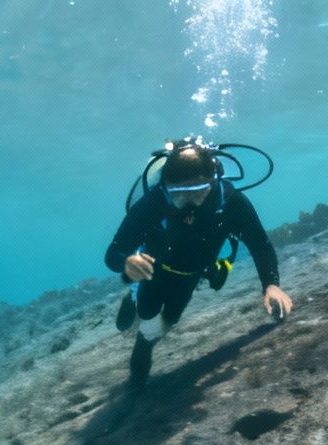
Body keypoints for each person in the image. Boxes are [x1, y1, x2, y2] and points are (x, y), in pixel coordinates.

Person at [104, 137, 294, 389]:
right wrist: (128, 263)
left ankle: (143, 325)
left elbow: (260, 244)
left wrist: (271, 285)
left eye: (199, 192)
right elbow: (113, 254)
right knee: (147, 315)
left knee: (167, 321)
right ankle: (134, 302)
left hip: (191, 273)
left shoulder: (232, 202)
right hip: (154, 269)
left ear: (214, 181)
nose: (191, 205)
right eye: (180, 195)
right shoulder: (153, 203)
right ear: (165, 187)